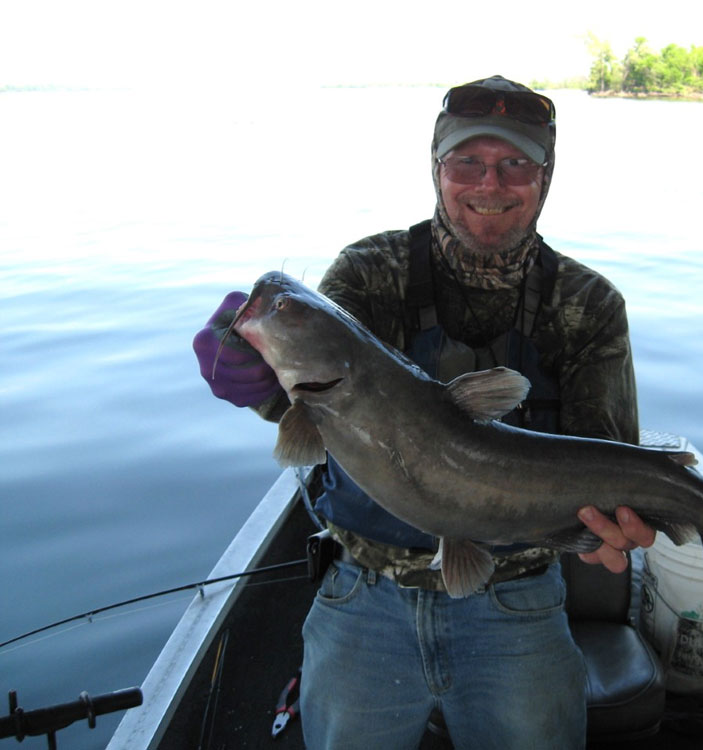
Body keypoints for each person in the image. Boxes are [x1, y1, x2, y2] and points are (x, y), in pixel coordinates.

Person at [193, 75, 656, 749]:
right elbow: (317, 409)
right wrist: (257, 384)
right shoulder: (368, 270)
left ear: (545, 175)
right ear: (436, 168)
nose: (488, 184)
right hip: (364, 587)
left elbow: (606, 454)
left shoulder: (588, 303)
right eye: (466, 162)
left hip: (517, 593)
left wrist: (621, 521)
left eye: (514, 165)